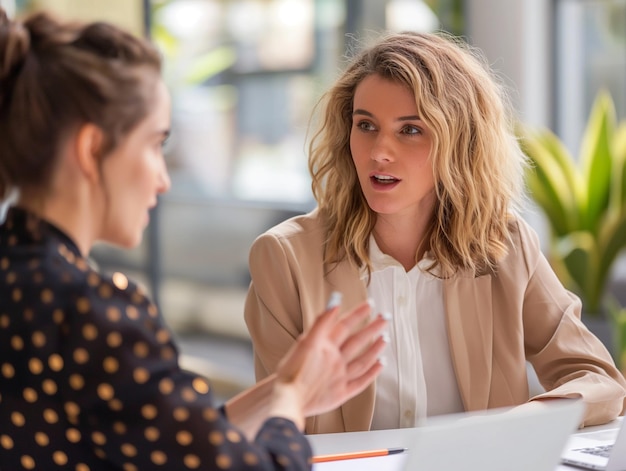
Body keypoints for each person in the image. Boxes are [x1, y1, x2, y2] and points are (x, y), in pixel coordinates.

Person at [0, 8, 388, 470]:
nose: (163, 180)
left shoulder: (20, 279)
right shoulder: (90, 314)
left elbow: (173, 439)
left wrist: (283, 387)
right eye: (154, 144)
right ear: (92, 149)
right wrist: (291, 398)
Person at [244, 31, 626, 434]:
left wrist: (522, 423)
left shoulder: (507, 247)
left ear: (460, 142)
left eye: (410, 130)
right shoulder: (284, 258)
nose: (378, 152)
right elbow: (277, 424)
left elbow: (600, 380)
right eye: (366, 125)